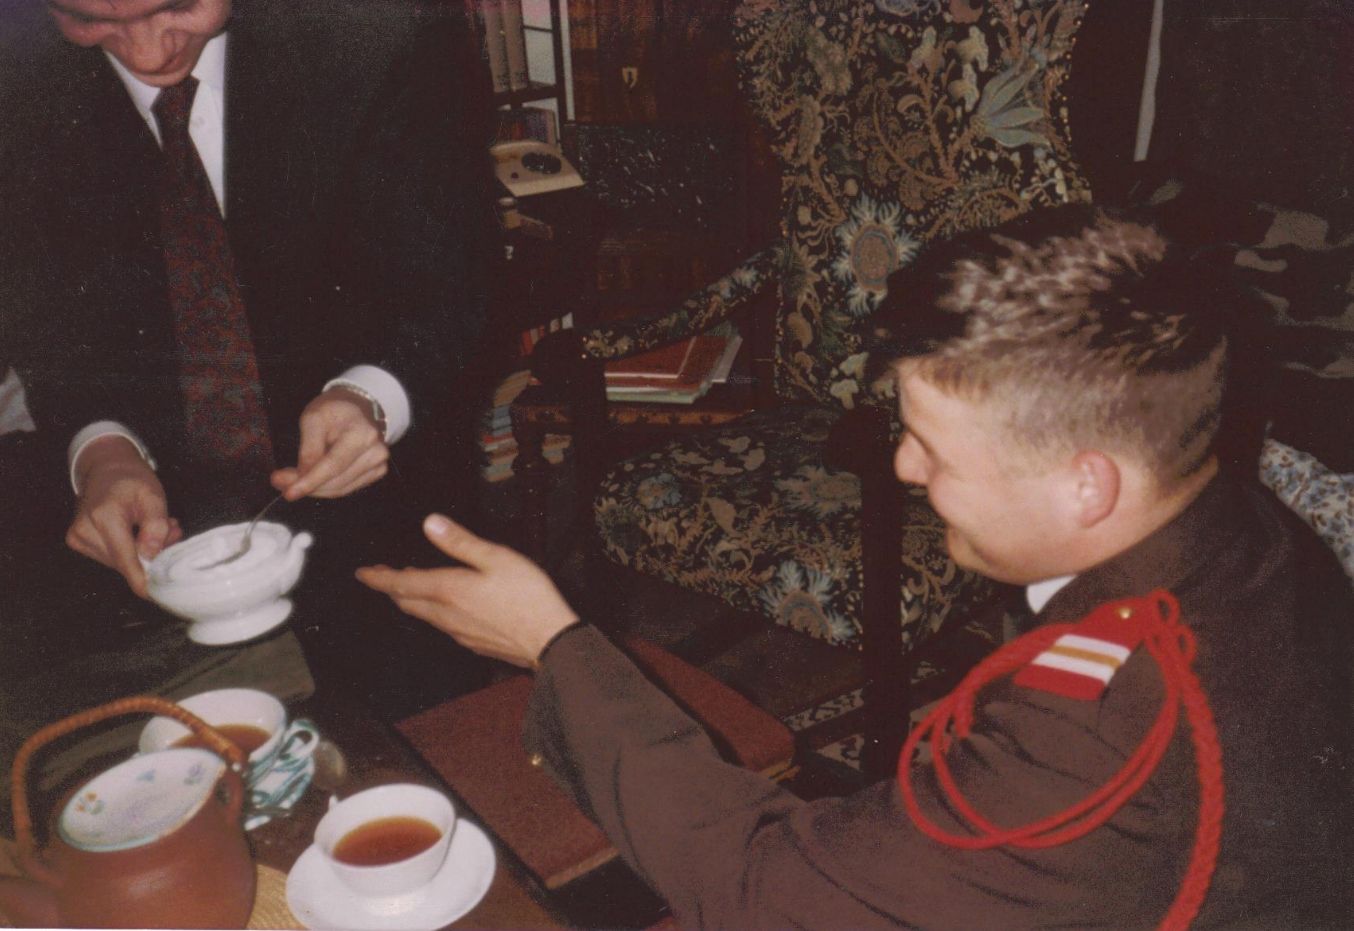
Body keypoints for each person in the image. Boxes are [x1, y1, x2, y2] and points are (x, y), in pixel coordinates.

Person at [359, 206, 1354, 928]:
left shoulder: (1089, 738)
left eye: (932, 446)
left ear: (1085, 485)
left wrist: (555, 644)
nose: (903, 467)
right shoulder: (1247, 526)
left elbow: (765, 891)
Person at [0, 0, 499, 800]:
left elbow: (453, 280)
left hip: (383, 517)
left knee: (423, 782)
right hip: (146, 555)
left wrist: (370, 396)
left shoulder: (380, 30)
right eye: (92, 21)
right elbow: (51, 319)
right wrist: (101, 448)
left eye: (176, 6)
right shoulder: (13, 73)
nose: (146, 51)